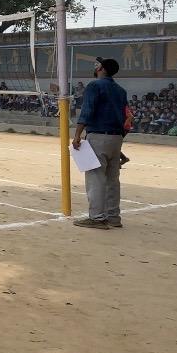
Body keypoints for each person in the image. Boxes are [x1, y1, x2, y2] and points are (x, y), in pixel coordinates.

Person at [71, 57, 128, 230]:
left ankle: (96, 218)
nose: (95, 66)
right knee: (113, 180)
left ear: (102, 69)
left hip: (98, 136)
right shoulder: (121, 90)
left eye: (97, 65)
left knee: (95, 177)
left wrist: (77, 135)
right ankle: (113, 217)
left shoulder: (95, 86)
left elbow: (87, 111)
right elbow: (125, 117)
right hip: (116, 137)